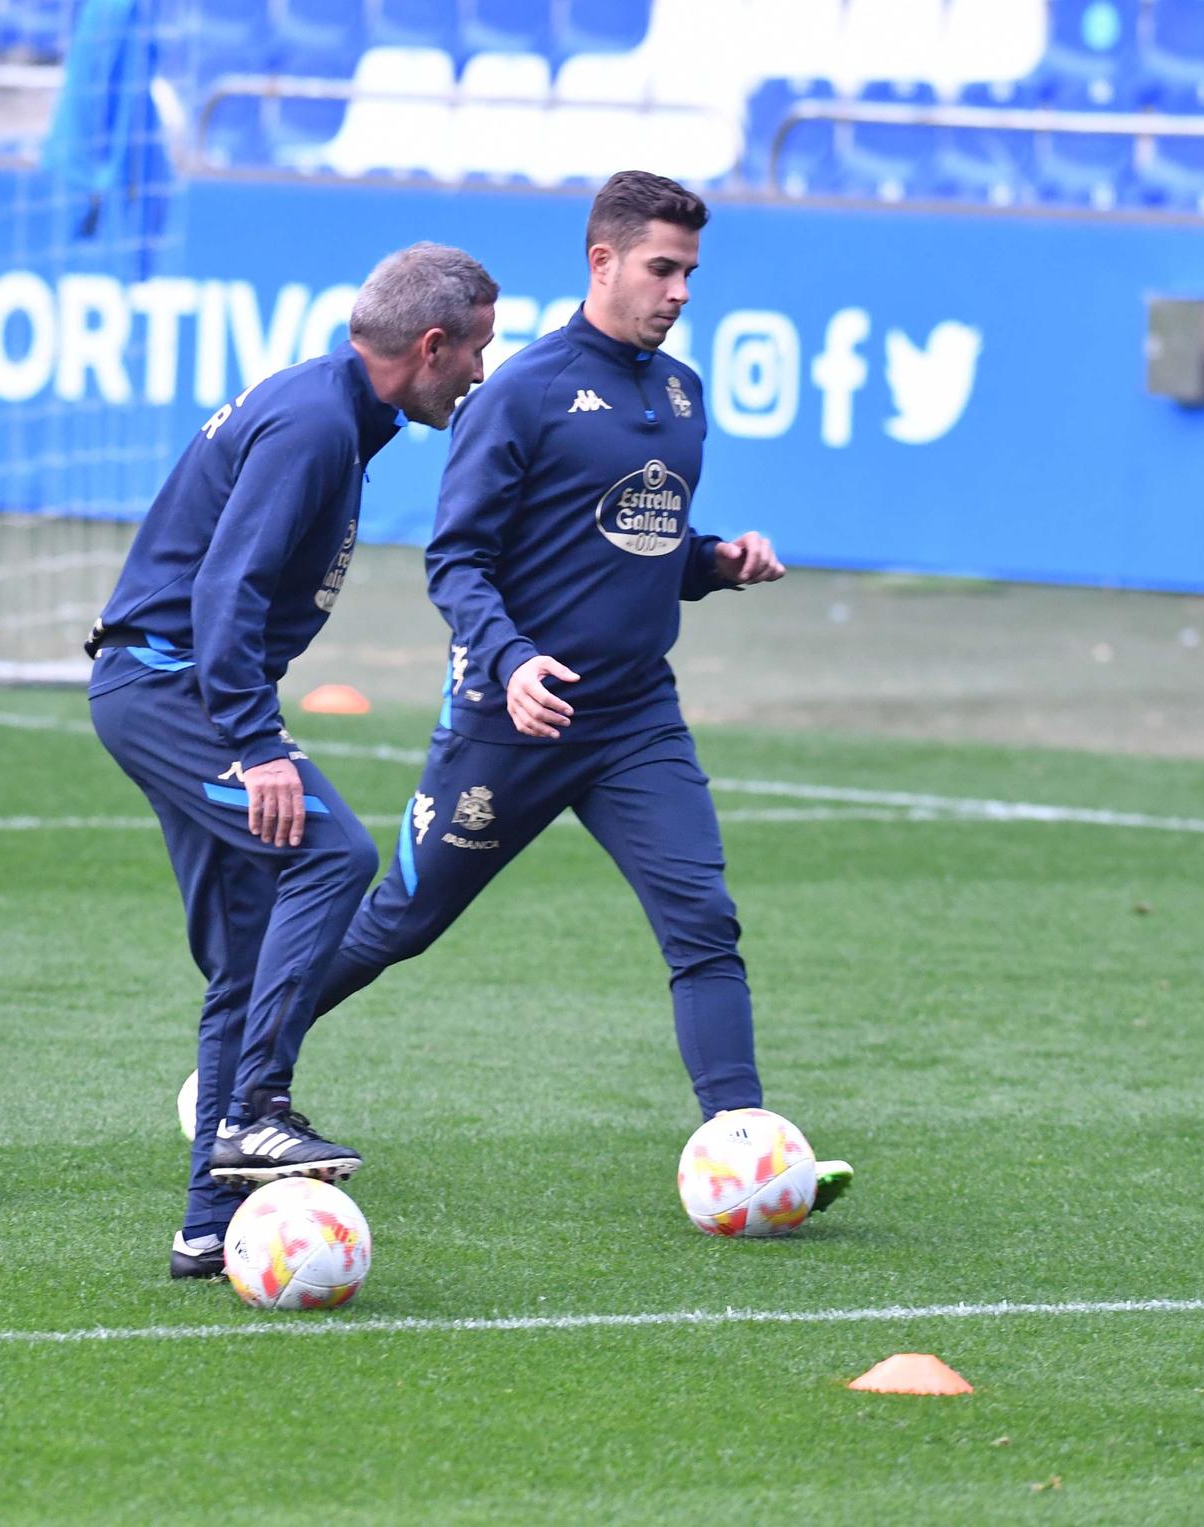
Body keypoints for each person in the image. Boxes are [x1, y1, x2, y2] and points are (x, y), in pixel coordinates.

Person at [303, 173, 852, 1211]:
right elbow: (454, 563)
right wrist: (511, 664)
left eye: (689, 272)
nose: (678, 290)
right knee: (401, 924)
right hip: (509, 720)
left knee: (701, 919)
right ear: (600, 261)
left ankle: (741, 1146)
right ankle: (242, 1066)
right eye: (661, 268)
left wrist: (713, 563)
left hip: (634, 717)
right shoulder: (519, 390)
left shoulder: (680, 394)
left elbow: (632, 545)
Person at [86, 243, 500, 1279]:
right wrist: (255, 740)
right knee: (331, 854)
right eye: (477, 352)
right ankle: (255, 1110)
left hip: (163, 686)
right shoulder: (315, 424)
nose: (481, 376)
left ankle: (204, 1223)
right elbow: (227, 585)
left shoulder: (330, 413)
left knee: (244, 956)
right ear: (431, 345)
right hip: (169, 685)